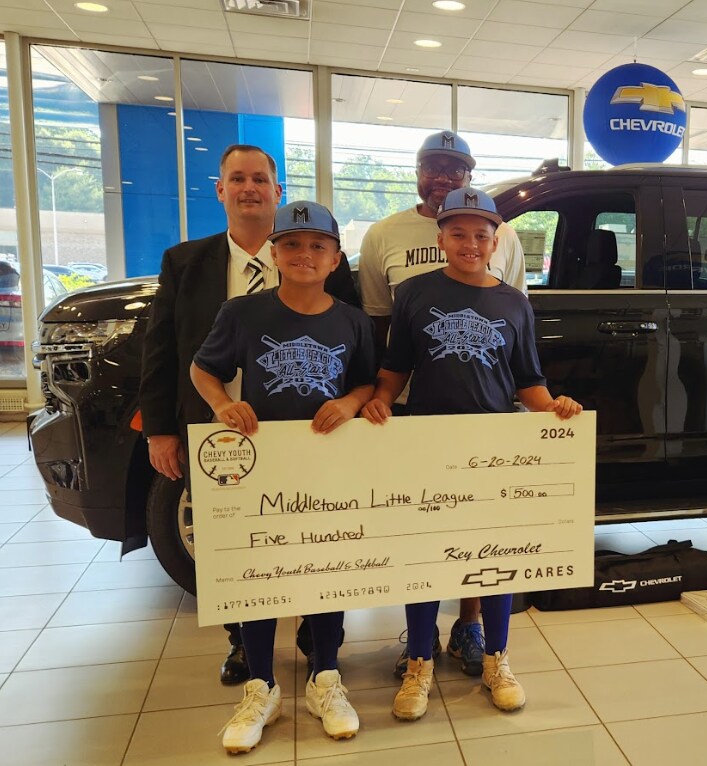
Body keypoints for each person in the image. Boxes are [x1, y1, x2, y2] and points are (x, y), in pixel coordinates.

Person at [139, 144, 358, 686]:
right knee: (231, 543)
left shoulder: (323, 258)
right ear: (221, 190)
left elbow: (354, 343)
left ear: (277, 191)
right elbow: (162, 351)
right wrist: (161, 431)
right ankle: (244, 643)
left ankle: (318, 635)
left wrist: (353, 403)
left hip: (309, 431)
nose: (249, 188)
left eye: (260, 178)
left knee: (317, 532)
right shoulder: (184, 263)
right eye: (237, 178)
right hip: (219, 433)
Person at [361, 187, 582, 721]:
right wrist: (380, 401)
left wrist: (554, 408)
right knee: (424, 561)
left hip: (493, 447)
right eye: (457, 233)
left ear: (496, 241)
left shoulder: (513, 302)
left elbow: (527, 380)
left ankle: (497, 660)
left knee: (496, 559)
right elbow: (397, 366)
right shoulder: (414, 293)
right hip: (428, 443)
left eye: (481, 234)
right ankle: (418, 661)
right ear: (440, 240)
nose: (469, 242)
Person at [190, 200, 376, 751]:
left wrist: (349, 401)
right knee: (260, 575)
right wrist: (223, 406)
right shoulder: (243, 314)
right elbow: (203, 369)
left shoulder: (353, 320)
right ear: (274, 253)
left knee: (325, 567)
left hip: (328, 463)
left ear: (336, 257)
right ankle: (261, 685)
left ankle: (325, 676)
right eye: (292, 244)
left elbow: (369, 383)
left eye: (318, 245)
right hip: (263, 466)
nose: (304, 254)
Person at [358, 129, 528, 678]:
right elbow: (384, 338)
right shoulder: (389, 243)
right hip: (421, 418)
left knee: (486, 540)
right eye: (433, 165)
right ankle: (420, 647)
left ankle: (475, 630)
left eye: (455, 167)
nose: (443, 175)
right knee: (425, 539)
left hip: (489, 426)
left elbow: (521, 361)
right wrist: (379, 396)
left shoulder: (509, 279)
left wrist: (559, 412)